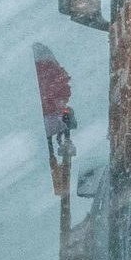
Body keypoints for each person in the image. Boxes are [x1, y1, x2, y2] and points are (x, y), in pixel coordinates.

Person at [33, 43, 77, 214]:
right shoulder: (46, 67)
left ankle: (60, 188)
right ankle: (60, 188)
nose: (66, 78)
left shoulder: (42, 65)